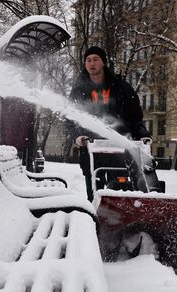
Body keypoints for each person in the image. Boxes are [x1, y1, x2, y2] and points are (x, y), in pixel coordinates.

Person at [68, 46, 152, 200]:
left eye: (95, 59)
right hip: (91, 150)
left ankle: (118, 220)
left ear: (103, 63)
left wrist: (143, 135)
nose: (91, 63)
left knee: (119, 192)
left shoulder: (121, 88)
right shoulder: (78, 92)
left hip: (118, 151)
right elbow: (71, 119)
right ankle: (94, 219)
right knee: (94, 193)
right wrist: (77, 136)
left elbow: (134, 117)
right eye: (88, 60)